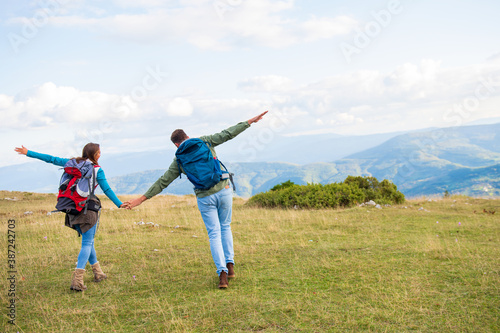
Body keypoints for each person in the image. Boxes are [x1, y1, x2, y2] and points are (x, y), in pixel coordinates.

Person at [124, 111, 268, 289]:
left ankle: (222, 274)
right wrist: (249, 122)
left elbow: (162, 182)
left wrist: (140, 199)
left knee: (214, 234)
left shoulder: (179, 159)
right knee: (225, 227)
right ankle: (230, 266)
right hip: (223, 190)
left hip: (204, 197)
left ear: (176, 144)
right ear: (188, 137)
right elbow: (227, 134)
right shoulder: (205, 141)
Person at [15, 143, 127, 291]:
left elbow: (51, 159)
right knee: (87, 243)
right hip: (88, 209)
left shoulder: (72, 164)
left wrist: (28, 152)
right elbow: (106, 189)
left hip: (72, 208)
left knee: (89, 241)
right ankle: (77, 281)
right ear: (94, 154)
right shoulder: (97, 170)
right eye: (99, 153)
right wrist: (119, 204)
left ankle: (98, 273)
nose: (100, 155)